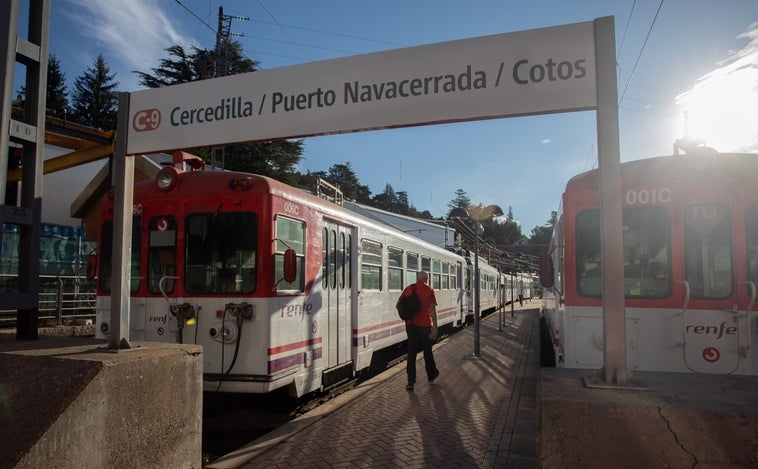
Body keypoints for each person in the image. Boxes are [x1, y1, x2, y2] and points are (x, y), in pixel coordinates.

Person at [396, 270, 439, 391]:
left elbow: (398, 304)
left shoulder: (409, 289)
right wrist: (435, 327)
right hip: (425, 326)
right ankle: (431, 376)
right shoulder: (430, 290)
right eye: (427, 279)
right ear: (425, 279)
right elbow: (433, 311)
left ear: (417, 278)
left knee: (411, 354)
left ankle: (410, 382)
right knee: (427, 352)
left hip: (411, 326)